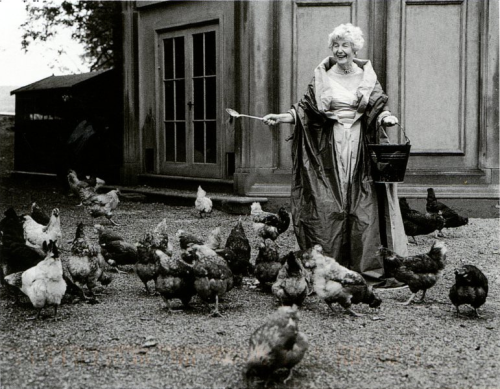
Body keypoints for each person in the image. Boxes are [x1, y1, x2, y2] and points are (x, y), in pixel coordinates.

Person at [263, 23, 408, 285]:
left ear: (355, 49)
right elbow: (305, 110)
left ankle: (365, 265)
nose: (340, 50)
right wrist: (282, 117)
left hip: (360, 145)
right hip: (327, 147)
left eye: (345, 45)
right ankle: (330, 264)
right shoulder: (322, 76)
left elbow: (377, 108)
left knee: (363, 203)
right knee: (328, 202)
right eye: (336, 46)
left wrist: (386, 118)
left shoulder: (367, 77)